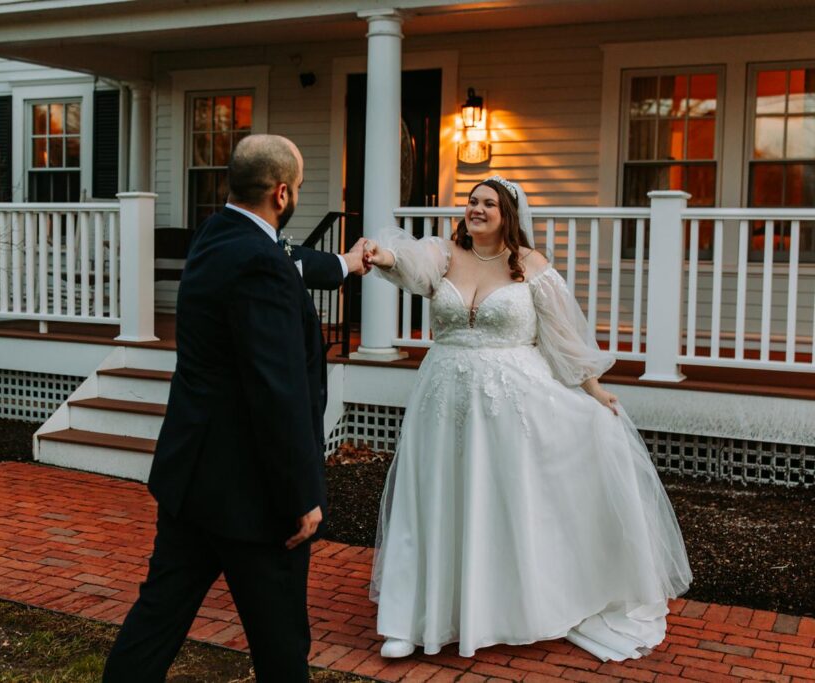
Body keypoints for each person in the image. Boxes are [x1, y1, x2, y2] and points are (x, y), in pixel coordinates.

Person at [362, 175, 692, 662]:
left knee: (499, 503)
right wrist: (384, 257)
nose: (476, 209)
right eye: (472, 202)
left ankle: (500, 607)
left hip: (509, 403)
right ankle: (409, 619)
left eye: (488, 204)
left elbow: (560, 336)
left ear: (507, 214)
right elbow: (408, 266)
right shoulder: (444, 254)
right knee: (429, 497)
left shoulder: (531, 266)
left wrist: (594, 391)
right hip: (441, 397)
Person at [102, 134, 368, 682]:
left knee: (157, 621)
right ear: (282, 193)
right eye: (294, 187)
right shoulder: (261, 263)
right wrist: (301, 492)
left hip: (190, 479)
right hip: (251, 495)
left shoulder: (214, 237)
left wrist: (343, 264)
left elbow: (289, 257)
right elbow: (277, 388)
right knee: (281, 646)